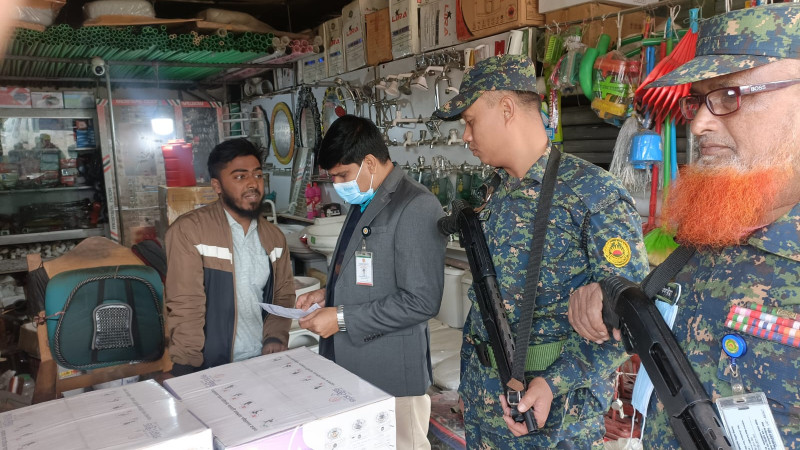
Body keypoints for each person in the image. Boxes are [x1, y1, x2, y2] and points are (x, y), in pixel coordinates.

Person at [568, 4, 800, 448]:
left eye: (729, 95)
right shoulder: (713, 231)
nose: (697, 124)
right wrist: (611, 294)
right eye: (698, 100)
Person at [432, 55, 649, 448]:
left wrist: (553, 382)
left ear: (506, 108)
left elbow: (630, 319)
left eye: (471, 121)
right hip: (486, 401)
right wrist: (472, 385)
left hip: (553, 416)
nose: (465, 135)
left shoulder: (591, 194)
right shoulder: (495, 191)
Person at [297, 115, 446, 450]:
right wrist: (327, 294)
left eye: (342, 175)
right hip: (353, 367)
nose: (338, 184)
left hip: (392, 375)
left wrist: (340, 318)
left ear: (368, 163)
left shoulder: (416, 205)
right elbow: (369, 270)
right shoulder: (365, 197)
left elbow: (421, 301)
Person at [165, 138, 295, 376]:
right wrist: (186, 365)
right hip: (210, 364)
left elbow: (283, 294)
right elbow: (185, 303)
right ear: (217, 186)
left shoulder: (274, 237)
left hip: (261, 360)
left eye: (257, 175)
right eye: (240, 176)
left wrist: (275, 336)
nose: (252, 184)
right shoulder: (190, 231)